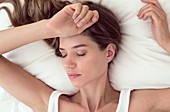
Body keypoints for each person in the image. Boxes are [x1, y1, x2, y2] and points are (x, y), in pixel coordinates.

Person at [0, 0, 170, 112]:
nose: (68, 64)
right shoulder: (52, 105)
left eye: (80, 53)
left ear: (109, 53)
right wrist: (49, 28)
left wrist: (166, 43)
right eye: (63, 53)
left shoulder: (136, 104)